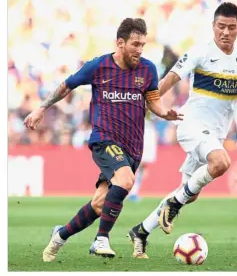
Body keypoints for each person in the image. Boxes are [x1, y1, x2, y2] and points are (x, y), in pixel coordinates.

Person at [23, 18, 183, 262]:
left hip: (133, 147)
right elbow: (67, 86)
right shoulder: (98, 66)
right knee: (126, 180)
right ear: (120, 43)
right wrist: (41, 108)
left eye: (143, 45)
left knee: (99, 204)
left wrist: (165, 114)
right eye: (135, 44)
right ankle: (101, 239)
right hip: (104, 139)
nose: (140, 50)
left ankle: (59, 236)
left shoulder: (148, 70)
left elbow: (154, 102)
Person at [128, 2, 237, 258]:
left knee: (189, 193)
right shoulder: (200, 52)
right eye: (221, 27)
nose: (226, 32)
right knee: (221, 162)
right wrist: (145, 106)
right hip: (191, 123)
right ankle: (173, 205)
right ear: (213, 27)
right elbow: (169, 81)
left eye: (231, 27)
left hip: (215, 134)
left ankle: (141, 231)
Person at [128, 112, 158, 202]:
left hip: (150, 129)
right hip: (139, 129)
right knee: (136, 162)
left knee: (143, 164)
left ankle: (134, 191)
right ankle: (128, 190)